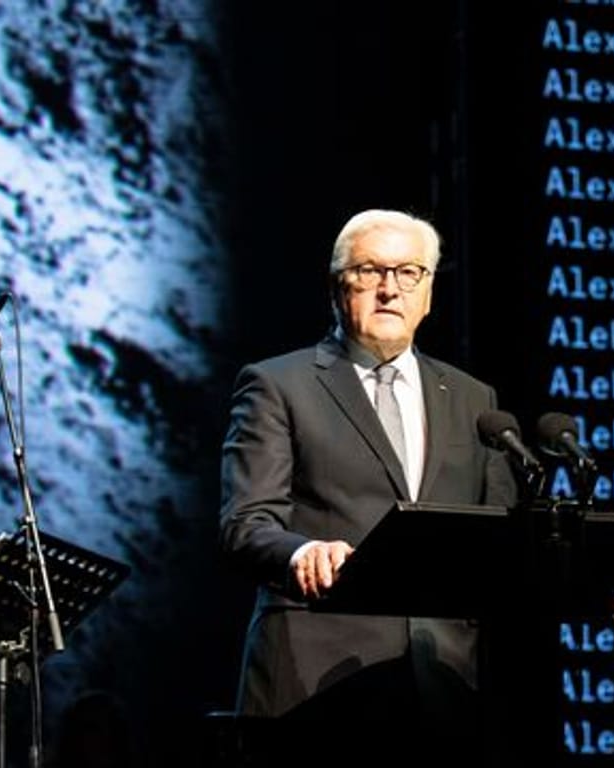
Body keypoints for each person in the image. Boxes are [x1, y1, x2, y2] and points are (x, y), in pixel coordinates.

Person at [219, 209, 519, 766]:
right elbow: (245, 524)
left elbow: (496, 540)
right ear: (338, 286)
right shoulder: (277, 385)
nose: (389, 289)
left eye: (408, 272)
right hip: (315, 682)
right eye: (369, 271)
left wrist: (573, 577)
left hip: (443, 688)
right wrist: (302, 551)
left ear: (428, 292)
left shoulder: (475, 400)